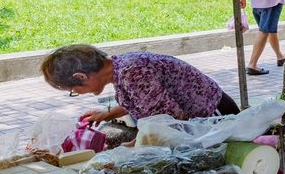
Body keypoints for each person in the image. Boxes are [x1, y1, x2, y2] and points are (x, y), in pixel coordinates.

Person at [41, 46, 230, 124]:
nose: (78, 93)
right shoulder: (120, 68)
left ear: (81, 76)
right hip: (197, 117)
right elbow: (144, 100)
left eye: (74, 90)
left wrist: (135, 146)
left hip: (212, 114)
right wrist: (108, 114)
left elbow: (167, 119)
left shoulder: (132, 72)